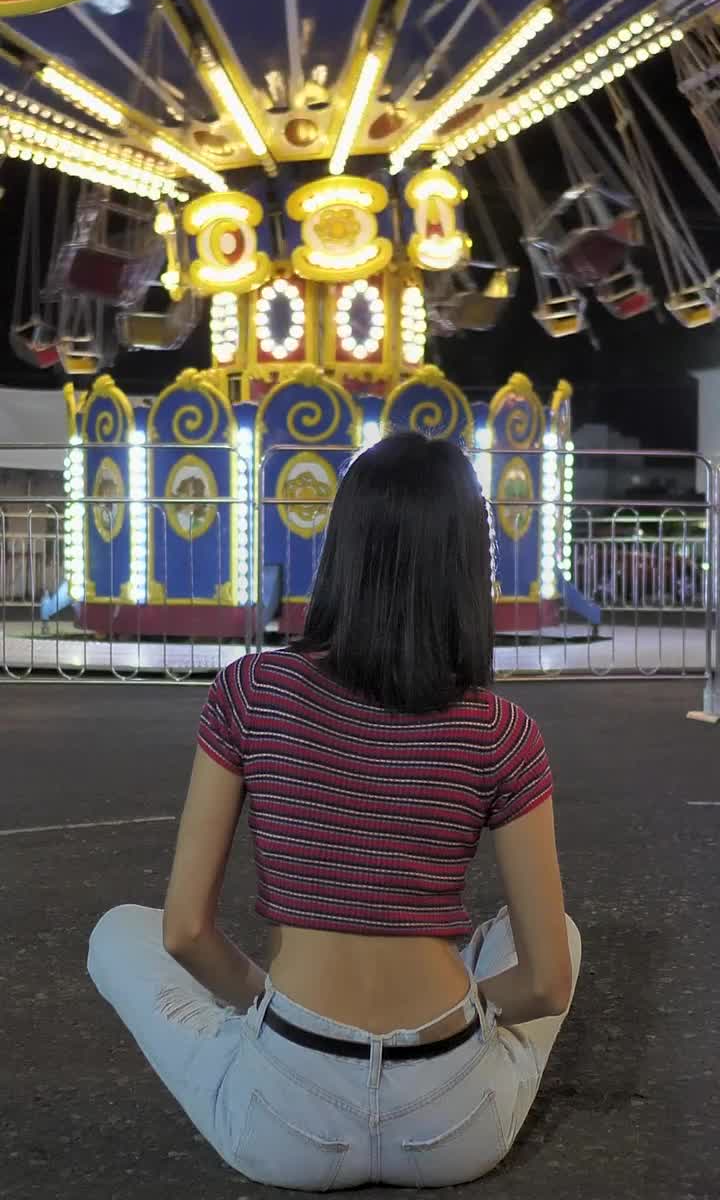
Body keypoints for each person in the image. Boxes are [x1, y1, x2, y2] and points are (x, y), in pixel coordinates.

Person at [88, 432, 581, 1191]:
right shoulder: (503, 733)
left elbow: (185, 932)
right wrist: (458, 1018)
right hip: (453, 1122)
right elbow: (546, 986)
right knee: (552, 935)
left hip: (285, 1112)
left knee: (120, 931)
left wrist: (269, 1006)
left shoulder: (252, 692)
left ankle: (261, 1032)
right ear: (466, 568)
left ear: (341, 548)